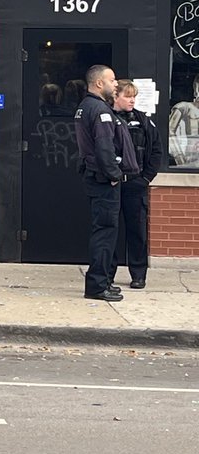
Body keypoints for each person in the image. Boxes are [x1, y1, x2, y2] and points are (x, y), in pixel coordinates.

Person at [74, 64, 136, 302]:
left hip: (95, 178)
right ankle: (98, 285)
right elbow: (104, 147)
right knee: (105, 233)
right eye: (112, 80)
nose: (116, 84)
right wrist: (114, 175)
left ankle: (103, 281)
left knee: (104, 231)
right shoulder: (99, 110)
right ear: (99, 83)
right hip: (103, 181)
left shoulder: (85, 107)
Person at [111, 80, 162, 289]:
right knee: (109, 232)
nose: (132, 100)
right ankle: (107, 273)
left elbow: (157, 150)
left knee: (137, 232)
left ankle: (138, 275)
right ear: (116, 97)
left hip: (136, 185)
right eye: (128, 95)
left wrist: (146, 179)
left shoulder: (144, 121)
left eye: (135, 96)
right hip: (112, 185)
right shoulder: (106, 118)